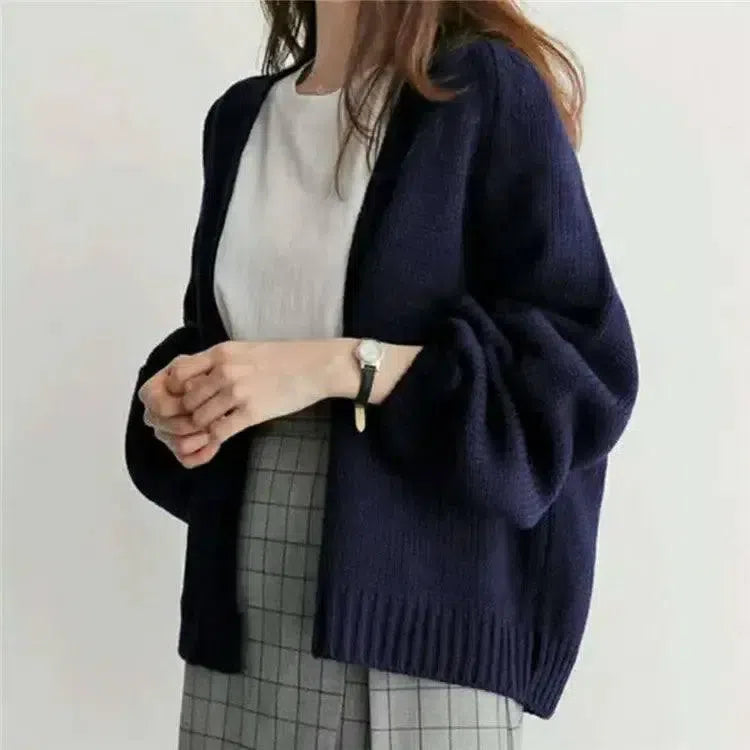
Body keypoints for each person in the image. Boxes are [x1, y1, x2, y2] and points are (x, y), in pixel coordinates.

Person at [124, 1, 639, 748]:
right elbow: (223, 338)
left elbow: (578, 370)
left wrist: (343, 365)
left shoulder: (481, 89)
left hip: (417, 632)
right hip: (240, 612)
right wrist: (178, 397)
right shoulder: (239, 120)